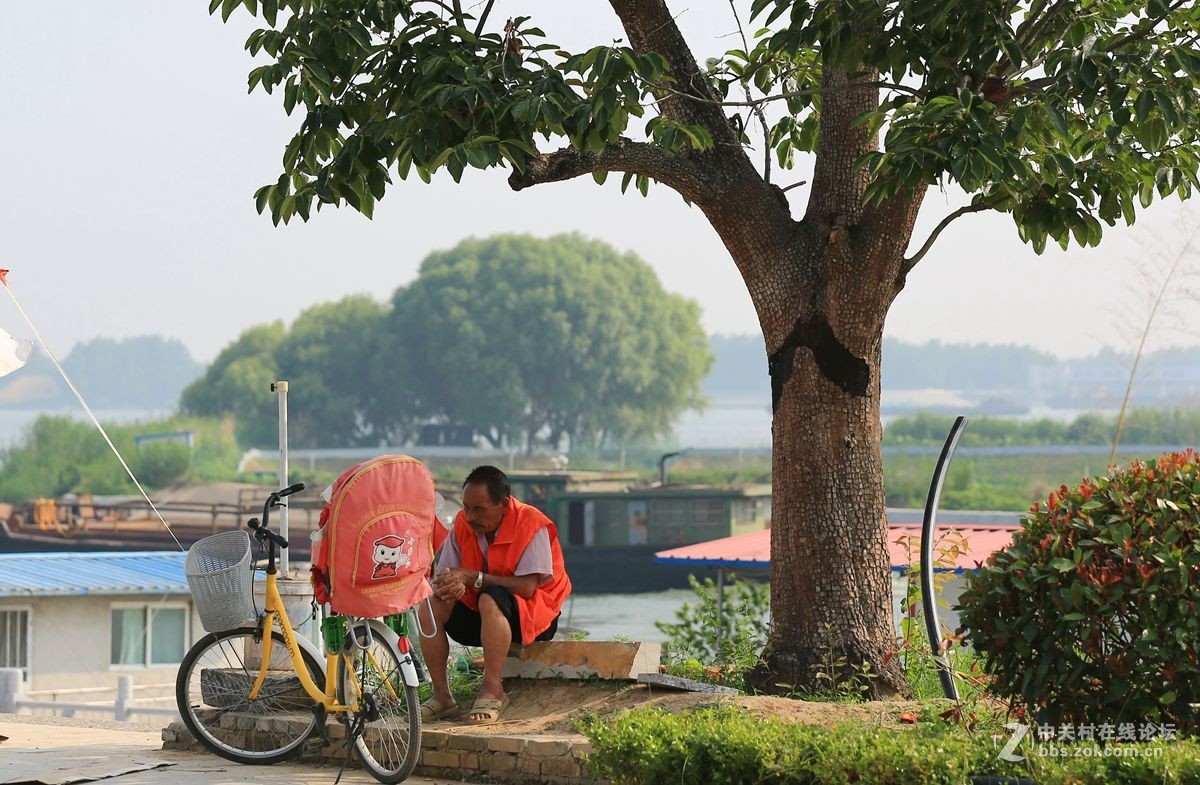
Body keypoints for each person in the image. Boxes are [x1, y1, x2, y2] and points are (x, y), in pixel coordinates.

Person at [417, 465, 571, 724]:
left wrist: (473, 578)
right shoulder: (463, 524)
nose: (469, 516)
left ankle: (493, 689)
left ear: (504, 504)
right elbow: (448, 573)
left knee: (490, 598)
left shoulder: (532, 523)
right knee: (431, 606)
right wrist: (450, 585)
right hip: (483, 615)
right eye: (466, 507)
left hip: (534, 618)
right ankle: (442, 695)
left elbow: (527, 587)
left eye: (479, 509)